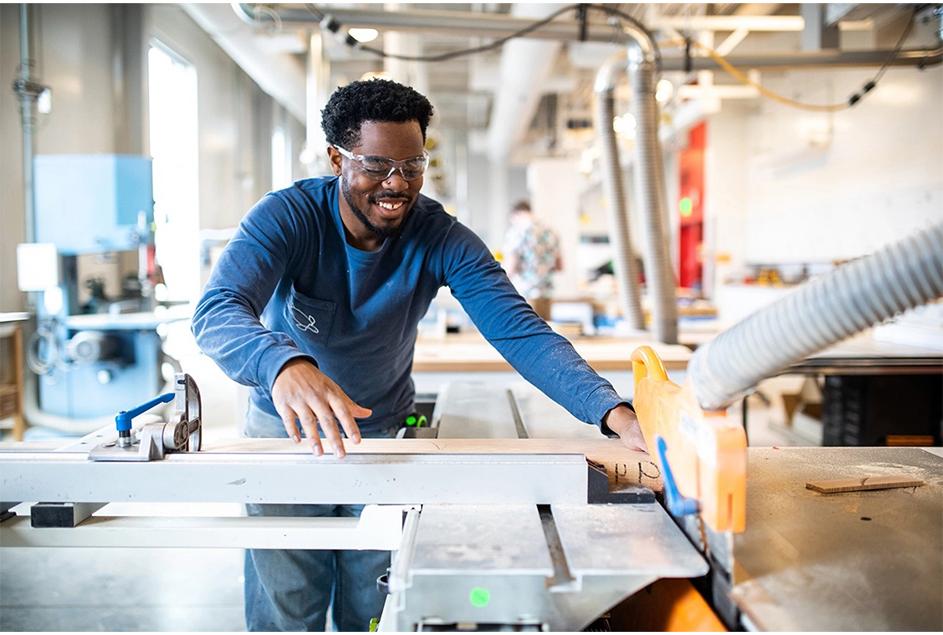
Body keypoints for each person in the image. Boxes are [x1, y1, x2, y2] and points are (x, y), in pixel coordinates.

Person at [191, 79, 647, 632]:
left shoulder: (440, 236)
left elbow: (520, 332)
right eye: (377, 165)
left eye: (412, 167)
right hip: (283, 435)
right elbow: (217, 311)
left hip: (383, 439)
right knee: (289, 604)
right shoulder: (288, 217)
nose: (396, 185)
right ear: (337, 158)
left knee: (374, 600)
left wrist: (611, 412)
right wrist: (280, 364)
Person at [502, 200, 562, 320]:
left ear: (515, 214)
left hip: (526, 294)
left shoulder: (517, 231)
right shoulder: (551, 231)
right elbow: (559, 265)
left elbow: (511, 267)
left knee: (529, 334)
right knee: (547, 333)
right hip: (547, 294)